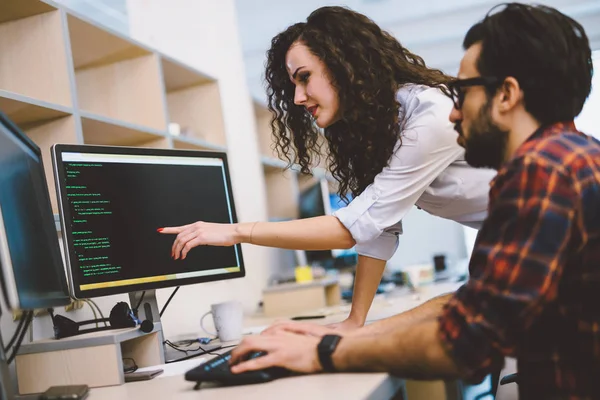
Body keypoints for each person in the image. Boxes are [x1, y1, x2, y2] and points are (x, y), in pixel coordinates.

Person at [228, 3, 600, 398]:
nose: (453, 114)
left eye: (461, 92)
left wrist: (323, 351)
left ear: (506, 94)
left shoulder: (541, 175)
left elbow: (461, 343)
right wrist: (354, 330)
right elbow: (468, 306)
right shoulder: (569, 159)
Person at [159, 6, 495, 330]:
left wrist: (234, 232)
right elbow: (379, 230)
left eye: (304, 78)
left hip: (533, 227)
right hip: (499, 232)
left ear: (345, 64)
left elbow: (352, 228)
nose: (297, 98)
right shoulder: (383, 128)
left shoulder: (429, 115)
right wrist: (355, 321)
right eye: (293, 85)